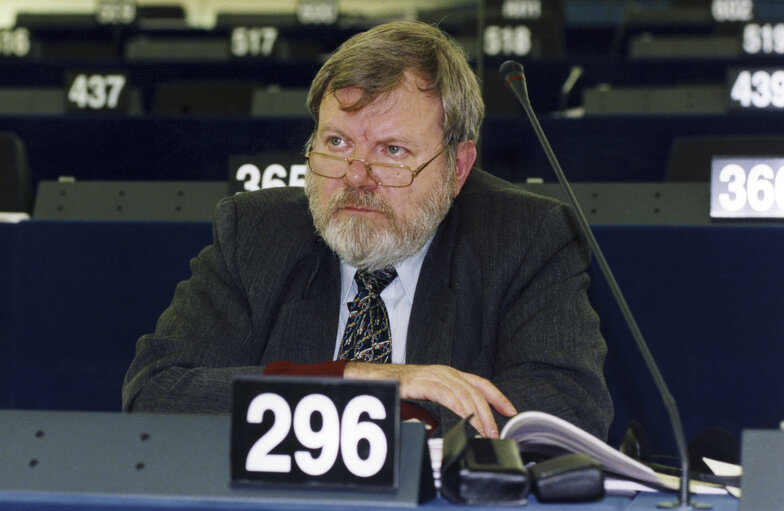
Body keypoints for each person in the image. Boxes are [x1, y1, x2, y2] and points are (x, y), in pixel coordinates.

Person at [122, 20, 613, 440]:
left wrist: (379, 436)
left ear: (457, 168)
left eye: (392, 151)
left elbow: (565, 410)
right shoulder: (253, 232)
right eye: (336, 142)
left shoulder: (526, 237)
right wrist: (363, 382)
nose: (355, 175)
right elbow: (157, 394)